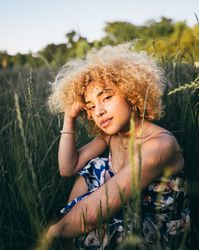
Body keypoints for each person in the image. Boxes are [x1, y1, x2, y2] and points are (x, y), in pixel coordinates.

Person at [45, 43, 190, 249]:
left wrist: (52, 232)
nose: (99, 111)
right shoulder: (110, 136)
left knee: (96, 228)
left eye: (107, 97)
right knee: (96, 166)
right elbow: (68, 167)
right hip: (124, 216)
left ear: (131, 94)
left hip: (157, 236)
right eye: (91, 106)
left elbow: (96, 212)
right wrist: (69, 117)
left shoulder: (160, 145)